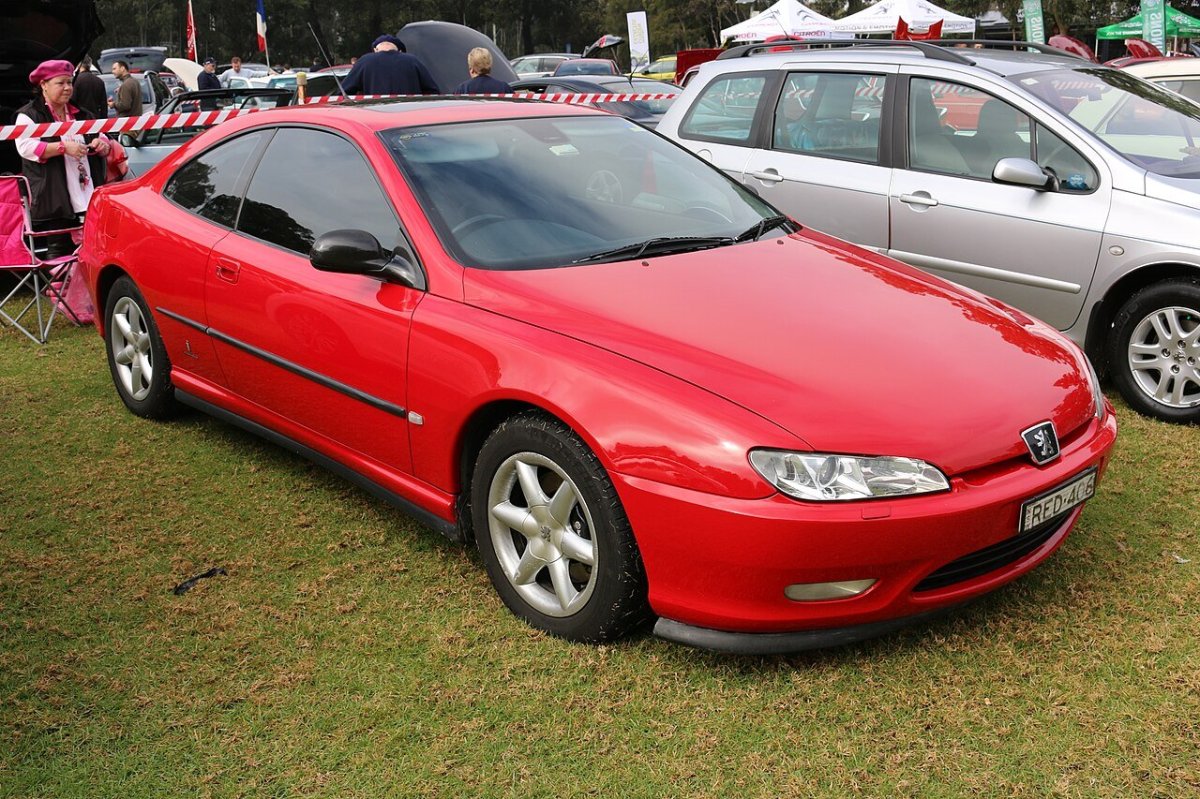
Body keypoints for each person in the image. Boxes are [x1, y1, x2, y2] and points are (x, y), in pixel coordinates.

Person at [14, 60, 110, 257]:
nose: (67, 88)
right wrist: (62, 147)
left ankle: (84, 284)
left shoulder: (82, 113)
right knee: (59, 245)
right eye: (61, 83)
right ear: (44, 85)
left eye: (69, 82)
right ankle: (59, 286)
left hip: (87, 189)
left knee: (94, 242)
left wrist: (102, 144)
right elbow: (26, 147)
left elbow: (101, 136)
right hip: (55, 192)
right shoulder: (28, 115)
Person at [340, 34, 439, 95]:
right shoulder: (413, 61)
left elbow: (343, 93)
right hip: (410, 120)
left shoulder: (364, 61)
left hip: (375, 121)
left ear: (375, 50)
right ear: (400, 50)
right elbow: (433, 91)